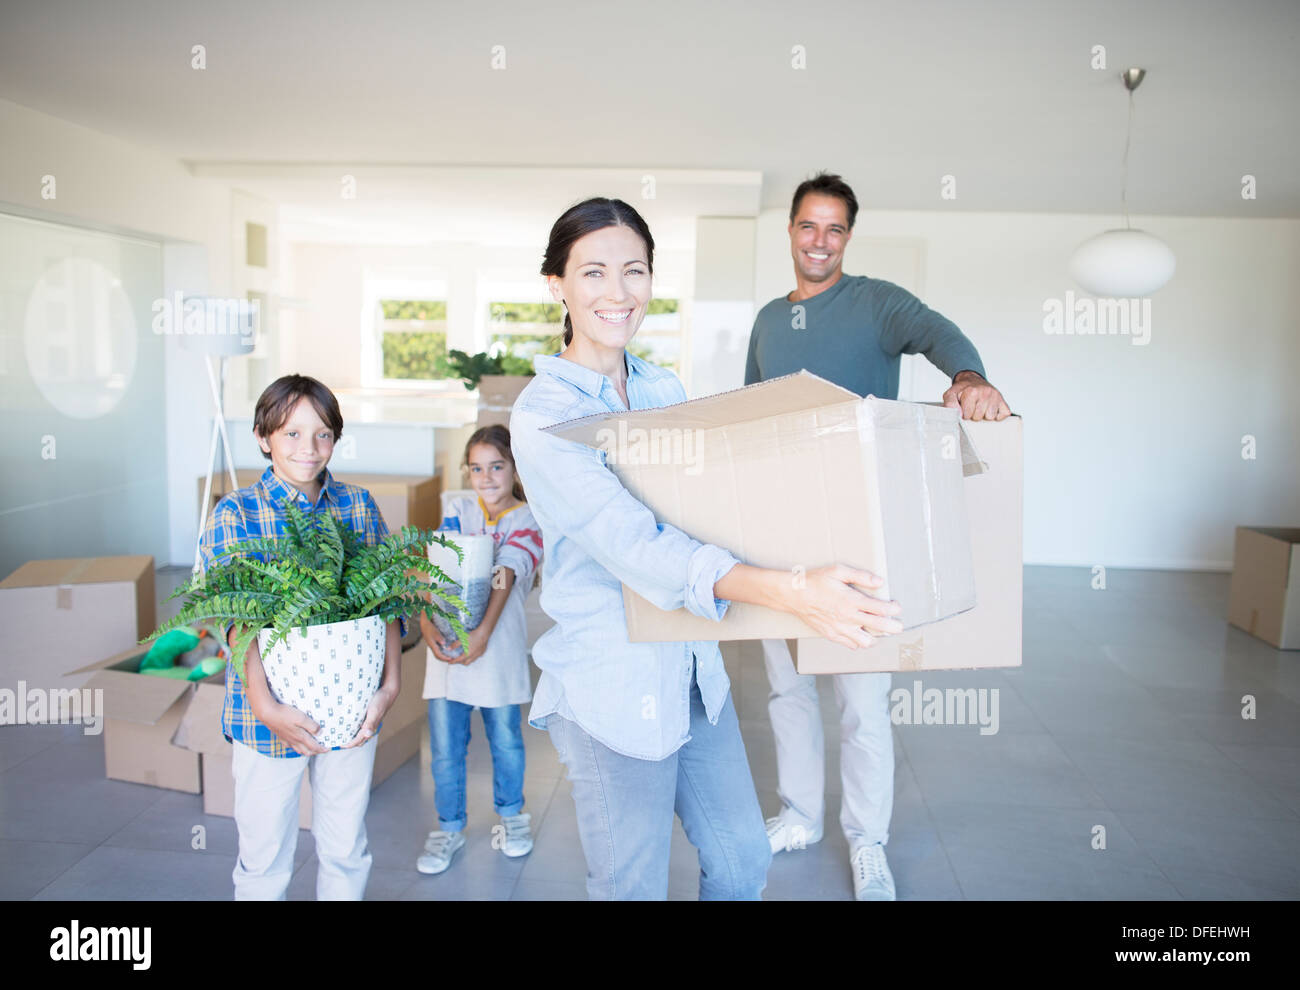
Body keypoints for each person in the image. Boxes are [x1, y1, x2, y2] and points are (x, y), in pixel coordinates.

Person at [509, 197, 905, 900]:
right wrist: (790, 592)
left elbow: (708, 511)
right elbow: (638, 546)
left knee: (743, 858)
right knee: (632, 884)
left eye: (634, 271)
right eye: (593, 272)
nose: (618, 291)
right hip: (613, 688)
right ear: (557, 285)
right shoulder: (546, 416)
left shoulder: (664, 388)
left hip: (692, 673)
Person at [745, 171, 1012, 901]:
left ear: (847, 238)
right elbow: (748, 413)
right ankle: (799, 816)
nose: (820, 241)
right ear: (791, 230)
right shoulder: (768, 319)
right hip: (781, 532)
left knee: (862, 702)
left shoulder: (878, 302)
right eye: (808, 226)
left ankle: (867, 842)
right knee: (787, 690)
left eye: (835, 228)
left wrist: (969, 377)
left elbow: (940, 334)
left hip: (859, 524)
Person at [199, 374, 405, 900]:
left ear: (336, 438)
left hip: (353, 710)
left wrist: (389, 688)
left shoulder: (356, 505)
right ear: (263, 437)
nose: (308, 449)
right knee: (264, 861)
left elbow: (386, 604)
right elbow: (236, 620)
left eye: (322, 434)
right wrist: (266, 706)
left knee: (345, 849)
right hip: (264, 717)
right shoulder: (236, 513)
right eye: (291, 434)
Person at [416, 424, 543, 875]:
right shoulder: (458, 511)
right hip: (448, 653)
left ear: (514, 469)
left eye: (496, 467)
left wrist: (483, 633)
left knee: (505, 740)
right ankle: (448, 828)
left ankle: (512, 817)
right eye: (476, 468)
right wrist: (427, 623)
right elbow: (437, 568)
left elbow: (505, 573)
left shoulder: (528, 520)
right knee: (447, 747)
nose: (486, 478)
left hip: (497, 651)